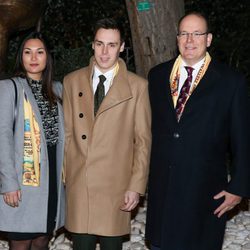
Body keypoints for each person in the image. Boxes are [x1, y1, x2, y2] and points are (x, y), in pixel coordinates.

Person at [145, 11, 250, 250]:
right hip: (164, 188)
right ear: (177, 39)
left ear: (209, 39)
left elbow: (242, 139)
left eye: (196, 34)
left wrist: (239, 187)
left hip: (204, 189)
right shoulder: (157, 76)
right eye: (184, 34)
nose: (189, 40)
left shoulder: (230, 82)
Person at [63, 18, 151, 250]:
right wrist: (65, 174)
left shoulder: (137, 86)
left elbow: (143, 140)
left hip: (116, 186)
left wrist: (136, 185)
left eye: (112, 45)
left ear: (122, 46)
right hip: (80, 182)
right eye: (100, 44)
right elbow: (68, 133)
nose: (104, 52)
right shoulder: (72, 81)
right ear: (92, 45)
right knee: (82, 244)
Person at [0, 32, 65, 250]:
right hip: (23, 178)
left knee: (41, 241)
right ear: (21, 57)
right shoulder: (9, 88)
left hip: (52, 178)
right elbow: (3, 137)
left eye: (40, 52)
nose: (34, 57)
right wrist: (8, 182)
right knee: (21, 240)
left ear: (48, 57)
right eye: (28, 52)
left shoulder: (58, 90)